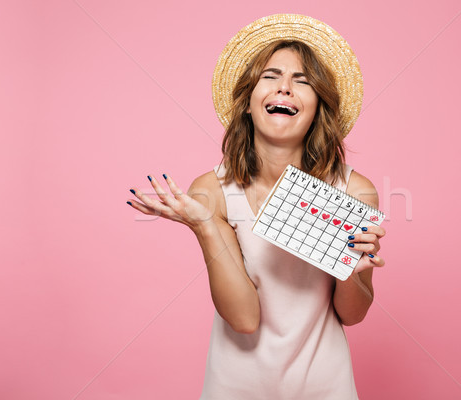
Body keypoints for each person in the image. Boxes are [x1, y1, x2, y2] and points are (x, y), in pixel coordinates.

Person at [127, 14, 386, 399]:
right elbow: (244, 318)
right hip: (236, 386)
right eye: (271, 76)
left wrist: (351, 269)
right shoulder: (213, 189)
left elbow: (353, 314)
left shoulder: (353, 190)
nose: (284, 88)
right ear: (248, 103)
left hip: (324, 385)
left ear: (318, 109)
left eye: (302, 82)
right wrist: (205, 226)